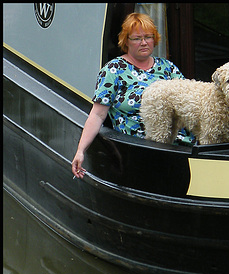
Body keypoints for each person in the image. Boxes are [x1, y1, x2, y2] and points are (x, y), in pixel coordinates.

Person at [71, 12, 185, 179]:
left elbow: (189, 101)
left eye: (148, 37)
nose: (144, 42)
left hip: (177, 145)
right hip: (138, 150)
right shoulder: (113, 70)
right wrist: (81, 151)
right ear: (126, 41)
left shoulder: (167, 67)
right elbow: (97, 115)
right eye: (137, 38)